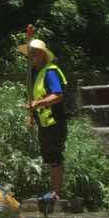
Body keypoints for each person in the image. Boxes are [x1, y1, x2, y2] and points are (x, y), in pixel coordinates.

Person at [19, 37, 68, 198]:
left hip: (55, 121)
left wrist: (36, 105)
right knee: (48, 155)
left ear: (42, 55)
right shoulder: (33, 74)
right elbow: (34, 98)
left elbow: (57, 95)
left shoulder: (50, 71)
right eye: (30, 54)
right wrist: (31, 115)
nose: (31, 57)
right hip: (44, 122)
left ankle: (56, 192)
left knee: (54, 155)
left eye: (35, 54)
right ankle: (54, 190)